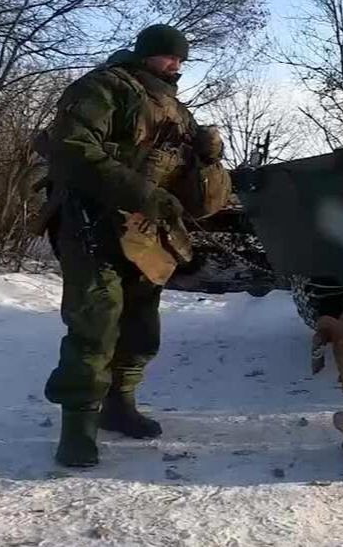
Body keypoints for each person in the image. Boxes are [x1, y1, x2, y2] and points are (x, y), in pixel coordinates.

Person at [35, 24, 231, 467]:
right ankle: (78, 425)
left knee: (141, 326)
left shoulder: (178, 112)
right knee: (96, 321)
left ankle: (119, 404)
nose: (175, 65)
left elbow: (202, 203)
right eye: (167, 57)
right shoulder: (105, 87)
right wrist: (140, 191)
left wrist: (210, 161)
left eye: (180, 59)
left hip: (145, 235)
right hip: (92, 221)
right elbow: (72, 146)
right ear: (145, 54)